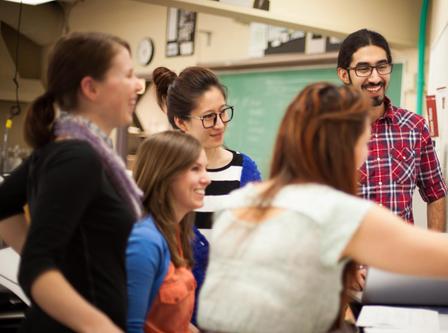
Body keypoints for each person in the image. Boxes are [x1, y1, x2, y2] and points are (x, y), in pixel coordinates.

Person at [196, 83, 448, 333]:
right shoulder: (335, 211)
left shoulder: (239, 201)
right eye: (364, 140)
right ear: (346, 146)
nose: (368, 151)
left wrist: (334, 268)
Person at [0, 32, 144, 332]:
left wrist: (60, 271)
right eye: (128, 75)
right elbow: (35, 265)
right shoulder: (77, 157)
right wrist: (100, 327)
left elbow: (3, 204)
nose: (139, 85)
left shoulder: (63, 148)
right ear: (90, 87)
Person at [152, 66, 262, 324]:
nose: (220, 124)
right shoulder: (167, 178)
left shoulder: (245, 170)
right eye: (209, 117)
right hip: (179, 319)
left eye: (223, 113)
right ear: (181, 122)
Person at [337, 29, 448, 231]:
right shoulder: (327, 131)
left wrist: (434, 254)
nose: (375, 78)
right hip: (347, 260)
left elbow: (436, 194)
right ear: (344, 74)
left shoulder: (414, 127)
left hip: (401, 260)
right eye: (363, 69)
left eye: (382, 66)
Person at [126, 131, 210, 333]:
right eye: (195, 169)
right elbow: (130, 327)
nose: (207, 179)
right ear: (166, 174)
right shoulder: (144, 241)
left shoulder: (177, 232)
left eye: (205, 168)